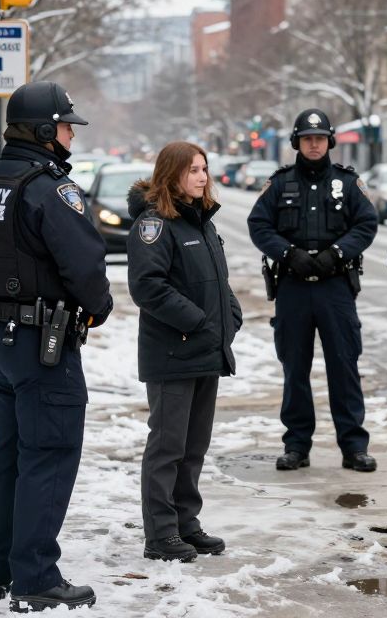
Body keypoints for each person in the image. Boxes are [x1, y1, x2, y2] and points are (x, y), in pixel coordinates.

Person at [0, 81, 113, 612]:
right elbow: (86, 264)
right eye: (67, 126)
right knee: (49, 455)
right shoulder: (50, 188)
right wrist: (95, 307)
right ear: (45, 132)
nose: (71, 135)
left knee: (9, 456)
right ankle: (36, 577)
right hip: (43, 344)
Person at [126, 142, 243, 563]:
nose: (202, 176)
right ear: (171, 173)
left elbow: (218, 280)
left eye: (204, 169)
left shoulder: (201, 222)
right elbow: (148, 287)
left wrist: (230, 314)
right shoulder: (154, 224)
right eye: (193, 169)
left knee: (194, 447)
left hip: (206, 350)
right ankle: (160, 533)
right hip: (173, 354)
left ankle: (185, 524)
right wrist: (198, 321)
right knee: (167, 447)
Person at [247, 108, 379, 472]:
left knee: (344, 368)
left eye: (320, 139)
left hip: (336, 288)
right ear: (297, 143)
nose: (314, 144)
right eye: (307, 139)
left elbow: (367, 223)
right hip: (293, 288)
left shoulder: (349, 184)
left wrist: (338, 253)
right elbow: (258, 224)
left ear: (330, 142)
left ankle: (354, 447)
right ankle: (296, 446)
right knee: (295, 370)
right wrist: (288, 254)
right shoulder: (279, 184)